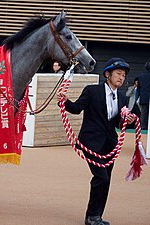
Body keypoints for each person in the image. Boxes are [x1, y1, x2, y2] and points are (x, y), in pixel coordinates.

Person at [57, 58, 135, 225]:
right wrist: (65, 101)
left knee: (106, 179)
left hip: (109, 145)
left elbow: (117, 124)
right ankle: (91, 216)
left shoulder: (121, 98)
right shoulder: (92, 91)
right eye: (118, 74)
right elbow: (76, 109)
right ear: (107, 74)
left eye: (124, 75)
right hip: (90, 142)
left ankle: (96, 216)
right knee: (101, 177)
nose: (121, 78)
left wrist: (128, 121)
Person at [136, 62, 150, 130]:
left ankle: (143, 126)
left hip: (143, 96)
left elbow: (138, 87)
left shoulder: (141, 76)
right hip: (148, 95)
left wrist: (138, 96)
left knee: (144, 112)